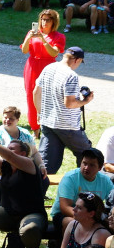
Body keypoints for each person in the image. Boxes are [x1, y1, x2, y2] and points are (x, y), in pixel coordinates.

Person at [34, 47, 94, 176]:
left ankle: (37, 193)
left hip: (47, 122)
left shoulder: (49, 68)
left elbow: (36, 92)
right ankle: (84, 188)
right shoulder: (71, 75)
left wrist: (40, 113)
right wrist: (85, 101)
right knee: (88, 155)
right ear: (77, 60)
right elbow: (70, 103)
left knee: (47, 163)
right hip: (67, 125)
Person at [21, 10, 66, 133]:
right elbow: (24, 51)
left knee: (49, 96)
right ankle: (35, 128)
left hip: (49, 66)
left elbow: (54, 52)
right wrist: (28, 38)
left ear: (54, 22)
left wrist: (43, 40)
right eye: (43, 19)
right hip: (32, 65)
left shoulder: (59, 36)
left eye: (48, 20)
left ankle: (47, 126)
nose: (44, 22)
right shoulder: (33, 33)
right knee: (31, 96)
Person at [49, 150, 112, 233]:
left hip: (92, 216)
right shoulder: (70, 178)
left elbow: (112, 202)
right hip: (66, 215)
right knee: (73, 223)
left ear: (99, 168)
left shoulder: (105, 181)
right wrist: (87, 218)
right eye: (84, 163)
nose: (86, 168)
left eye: (91, 165)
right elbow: (65, 207)